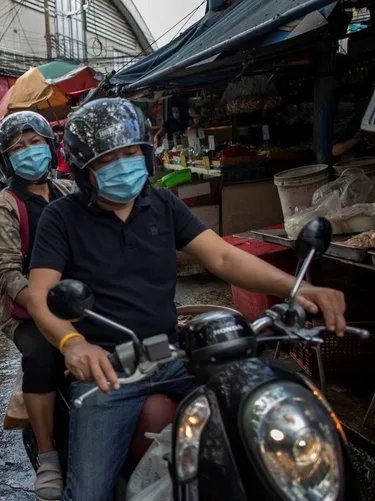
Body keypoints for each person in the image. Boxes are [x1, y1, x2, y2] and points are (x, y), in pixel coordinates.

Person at [26, 98, 348, 501]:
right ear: (84, 169)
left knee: (254, 422)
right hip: (109, 369)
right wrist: (74, 344)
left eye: (131, 153)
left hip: (173, 354)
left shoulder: (162, 203)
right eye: (108, 160)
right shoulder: (61, 217)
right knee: (89, 493)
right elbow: (40, 295)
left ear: (146, 153)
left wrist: (297, 288)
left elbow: (223, 256)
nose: (123, 165)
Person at [0, 111, 74, 501]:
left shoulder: (70, 192)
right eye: (18, 148)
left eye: (35, 143)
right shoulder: (4, 207)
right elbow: (5, 272)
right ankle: (49, 453)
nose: (29, 152)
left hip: (78, 300)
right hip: (25, 311)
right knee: (41, 357)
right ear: (6, 161)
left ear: (51, 148)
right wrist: (42, 308)